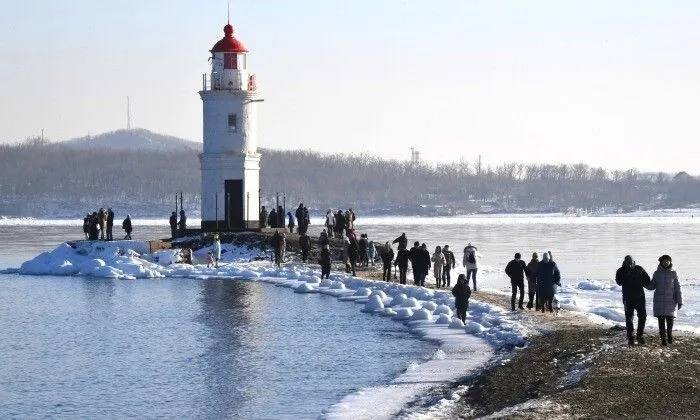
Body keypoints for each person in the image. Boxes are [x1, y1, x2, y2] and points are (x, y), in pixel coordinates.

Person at [615, 255, 651, 345]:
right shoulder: (620, 271)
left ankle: (640, 335)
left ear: (634, 262)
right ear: (625, 262)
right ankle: (630, 337)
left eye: (631, 263)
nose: (630, 265)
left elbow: (647, 281)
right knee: (629, 317)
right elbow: (619, 282)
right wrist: (627, 274)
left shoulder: (639, 269)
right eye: (628, 263)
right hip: (627, 298)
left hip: (640, 298)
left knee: (643, 316)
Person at [648, 254, 683, 346]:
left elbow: (678, 288)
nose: (666, 262)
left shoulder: (674, 273)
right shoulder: (656, 273)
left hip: (671, 301)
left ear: (670, 262)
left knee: (670, 320)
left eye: (668, 260)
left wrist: (680, 301)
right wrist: (644, 283)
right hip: (659, 301)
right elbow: (652, 286)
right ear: (661, 262)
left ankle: (669, 335)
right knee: (661, 321)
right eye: (664, 260)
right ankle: (663, 339)